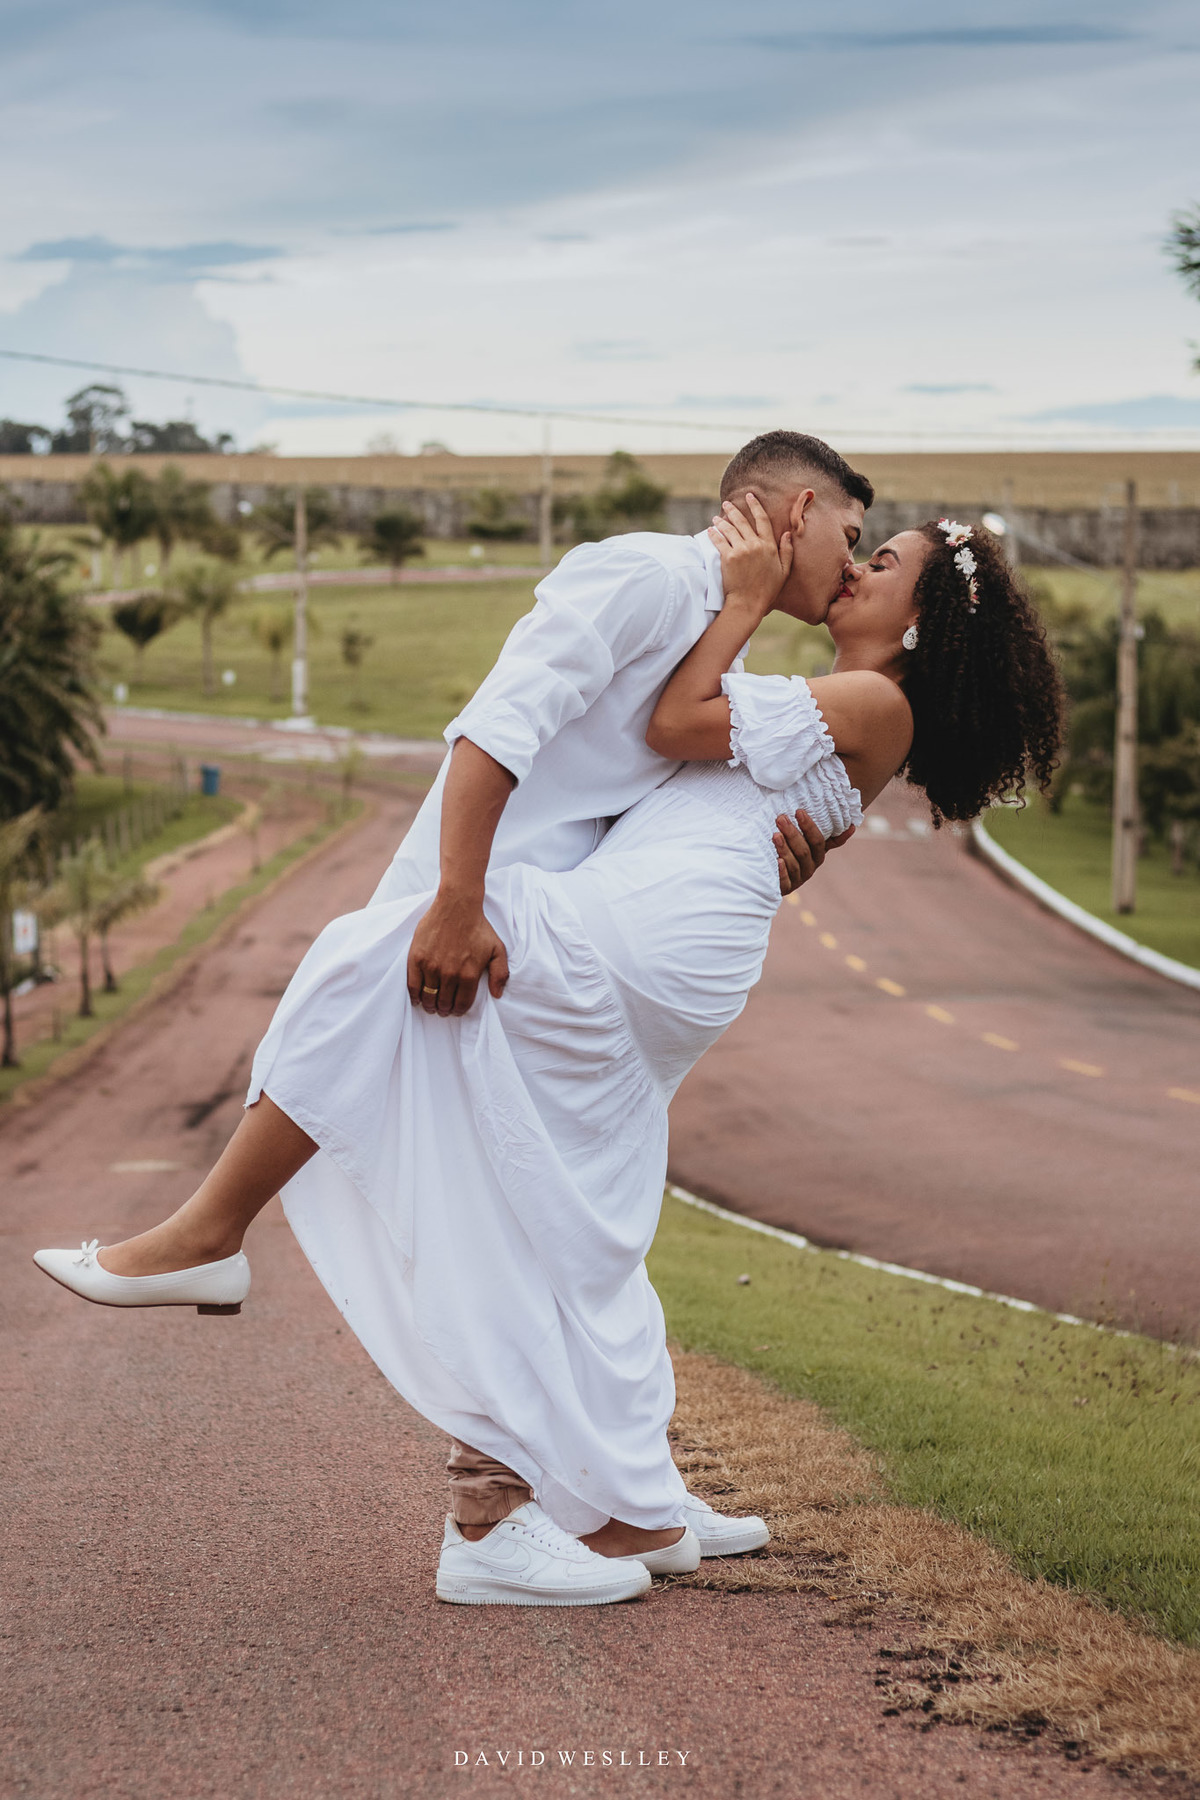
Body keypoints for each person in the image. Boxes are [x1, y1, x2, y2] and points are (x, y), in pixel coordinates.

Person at [35, 477, 1064, 1610]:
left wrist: (741, 601)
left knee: (367, 967)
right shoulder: (854, 698)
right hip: (673, 948)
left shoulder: (870, 698)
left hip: (640, 947)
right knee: (580, 1214)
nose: (860, 568)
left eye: (886, 563)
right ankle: (635, 1504)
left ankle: (218, 1238)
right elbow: (700, 773)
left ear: (919, 622)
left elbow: (676, 724)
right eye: (862, 546)